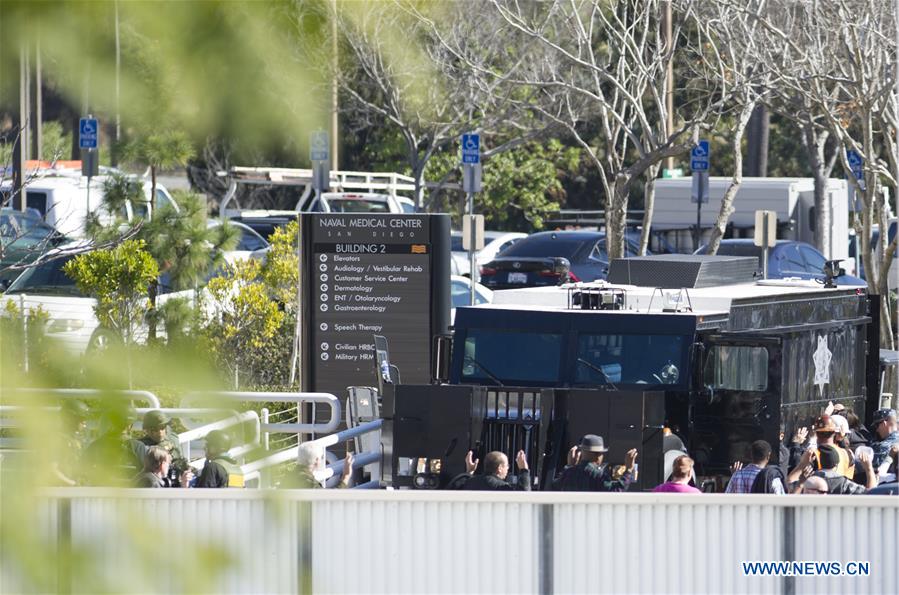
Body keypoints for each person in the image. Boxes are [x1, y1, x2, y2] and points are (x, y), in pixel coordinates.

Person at [81, 404, 148, 486]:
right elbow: (146, 474)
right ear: (130, 425)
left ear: (111, 422)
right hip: (130, 494)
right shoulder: (138, 447)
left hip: (101, 494)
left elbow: (83, 469)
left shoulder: (96, 445)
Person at [551, 434, 637, 492]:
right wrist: (629, 470)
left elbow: (555, 486)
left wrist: (569, 466)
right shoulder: (598, 474)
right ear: (599, 455)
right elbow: (617, 490)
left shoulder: (569, 473)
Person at [139, 410, 189, 487]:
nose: (160, 432)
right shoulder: (141, 446)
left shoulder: (173, 439)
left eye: (162, 427)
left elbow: (180, 460)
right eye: (155, 429)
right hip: (154, 482)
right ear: (147, 430)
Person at [52, 399, 90, 486]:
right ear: (71, 418)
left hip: (72, 490)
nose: (84, 423)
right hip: (58, 493)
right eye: (81, 418)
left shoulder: (76, 440)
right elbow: (51, 470)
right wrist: (73, 484)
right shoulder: (58, 440)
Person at [459, 450, 531, 491]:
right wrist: (524, 470)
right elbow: (524, 495)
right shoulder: (501, 487)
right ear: (500, 468)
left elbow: (455, 489)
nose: (508, 468)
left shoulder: (470, 483)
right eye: (507, 466)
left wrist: (469, 472)